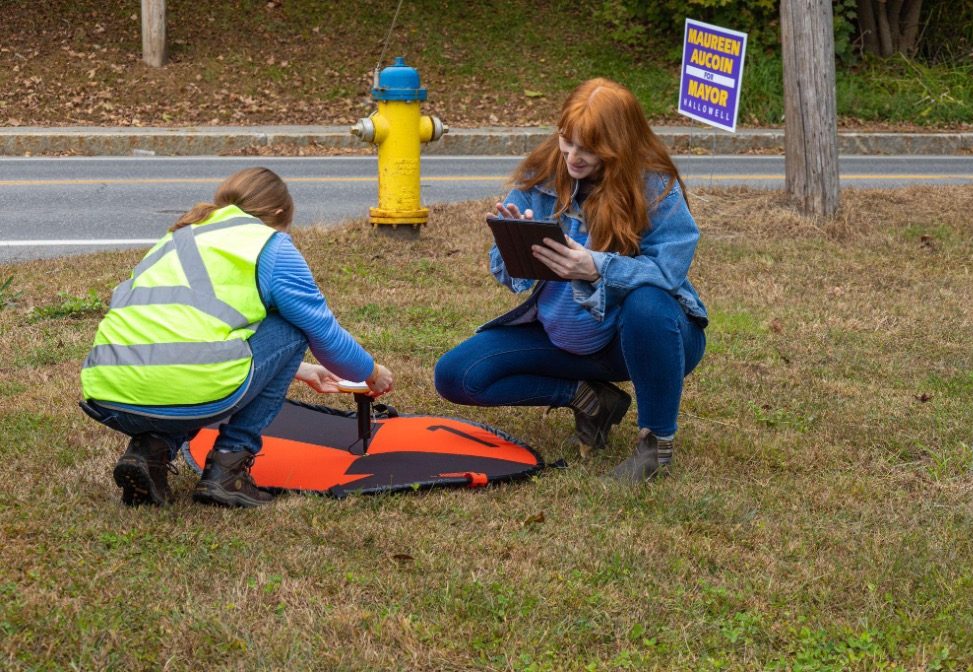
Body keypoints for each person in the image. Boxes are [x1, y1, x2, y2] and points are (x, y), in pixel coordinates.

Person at [434, 78, 707, 482]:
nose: (573, 157)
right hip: (564, 340)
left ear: (618, 145)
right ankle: (589, 398)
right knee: (456, 375)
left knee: (648, 302)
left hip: (641, 339)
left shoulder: (653, 185)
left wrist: (596, 267)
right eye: (567, 141)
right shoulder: (542, 172)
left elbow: (669, 271)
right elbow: (503, 271)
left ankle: (655, 446)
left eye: (588, 148)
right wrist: (515, 247)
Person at [79, 167, 393, 508]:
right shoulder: (270, 246)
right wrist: (372, 373)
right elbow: (325, 337)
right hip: (184, 391)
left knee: (181, 380)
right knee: (294, 324)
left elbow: (183, 332)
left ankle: (149, 452)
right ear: (278, 212)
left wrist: (298, 369)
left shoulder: (180, 235)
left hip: (108, 393)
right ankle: (229, 466)